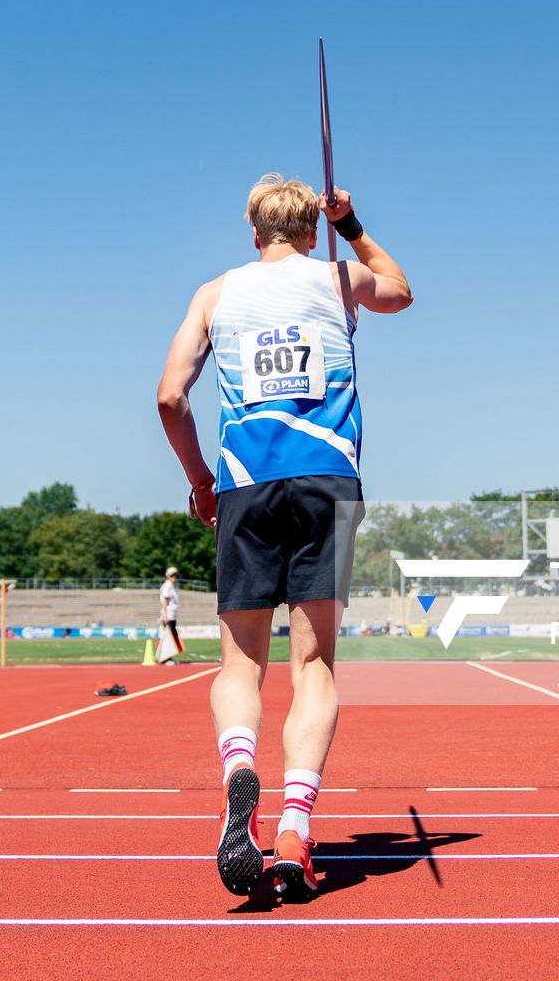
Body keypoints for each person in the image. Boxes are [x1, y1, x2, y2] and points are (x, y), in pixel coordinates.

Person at [157, 173, 412, 900]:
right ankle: (295, 828)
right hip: (327, 481)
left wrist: (201, 478)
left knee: (240, 666)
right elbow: (401, 289)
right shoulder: (339, 276)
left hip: (244, 482)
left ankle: (240, 770)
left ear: (252, 230)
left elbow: (170, 396)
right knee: (315, 666)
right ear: (311, 228)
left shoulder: (214, 293)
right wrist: (354, 222)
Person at [158, 566, 182, 663]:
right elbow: (165, 601)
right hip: (169, 615)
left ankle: (169, 657)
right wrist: (166, 616)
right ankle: (166, 658)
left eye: (175, 575)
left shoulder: (172, 586)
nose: (174, 577)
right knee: (169, 637)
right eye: (172, 575)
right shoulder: (167, 586)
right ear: (168, 576)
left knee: (171, 637)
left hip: (172, 615)